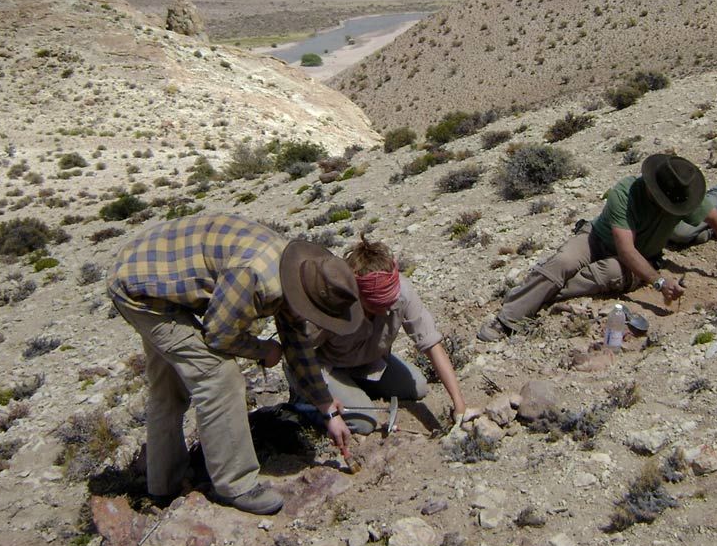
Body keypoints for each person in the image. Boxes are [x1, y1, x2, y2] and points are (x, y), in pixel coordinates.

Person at [107, 213, 364, 515]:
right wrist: (261, 350)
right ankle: (235, 484)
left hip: (154, 274)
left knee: (169, 386)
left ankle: (163, 488)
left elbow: (297, 344)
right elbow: (218, 335)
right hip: (140, 289)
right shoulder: (257, 276)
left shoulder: (297, 272)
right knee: (219, 375)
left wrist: (326, 409)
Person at [478, 154, 717, 342]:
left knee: (604, 273)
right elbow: (625, 248)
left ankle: (541, 299)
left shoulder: (684, 197)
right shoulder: (626, 192)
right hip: (597, 239)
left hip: (642, 258)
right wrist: (660, 282)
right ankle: (508, 319)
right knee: (563, 261)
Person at [287, 235, 470, 434]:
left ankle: (354, 391)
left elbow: (431, 344)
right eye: (376, 306)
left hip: (370, 362)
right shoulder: (334, 302)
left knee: (418, 387)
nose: (385, 311)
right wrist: (324, 402)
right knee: (364, 423)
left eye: (389, 304)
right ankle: (304, 402)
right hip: (328, 368)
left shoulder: (402, 292)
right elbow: (298, 352)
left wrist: (459, 404)